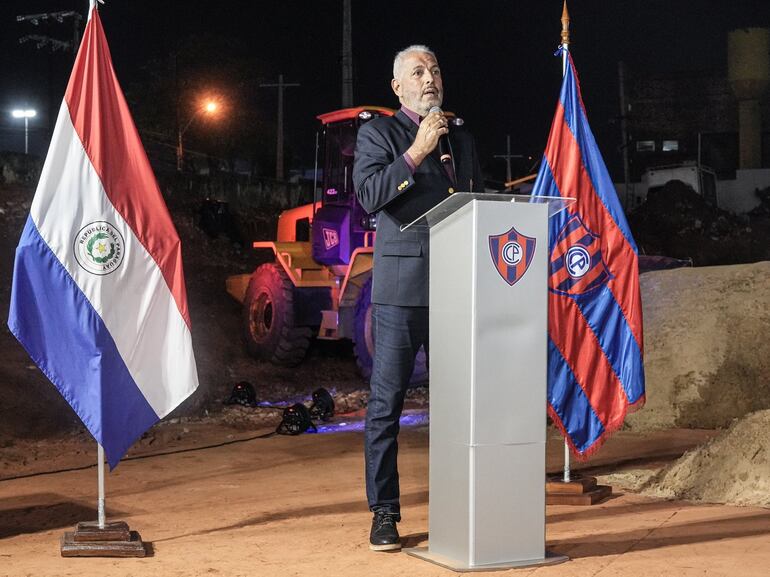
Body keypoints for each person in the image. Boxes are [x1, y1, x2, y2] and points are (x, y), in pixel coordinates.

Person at [353, 44, 483, 551]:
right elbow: (368, 197)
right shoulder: (379, 133)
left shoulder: (462, 136)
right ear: (398, 87)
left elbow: (475, 200)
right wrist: (416, 152)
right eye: (417, 72)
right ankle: (384, 514)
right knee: (387, 405)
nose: (429, 78)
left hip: (456, 287)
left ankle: (461, 503)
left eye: (434, 70)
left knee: (458, 403)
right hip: (402, 292)